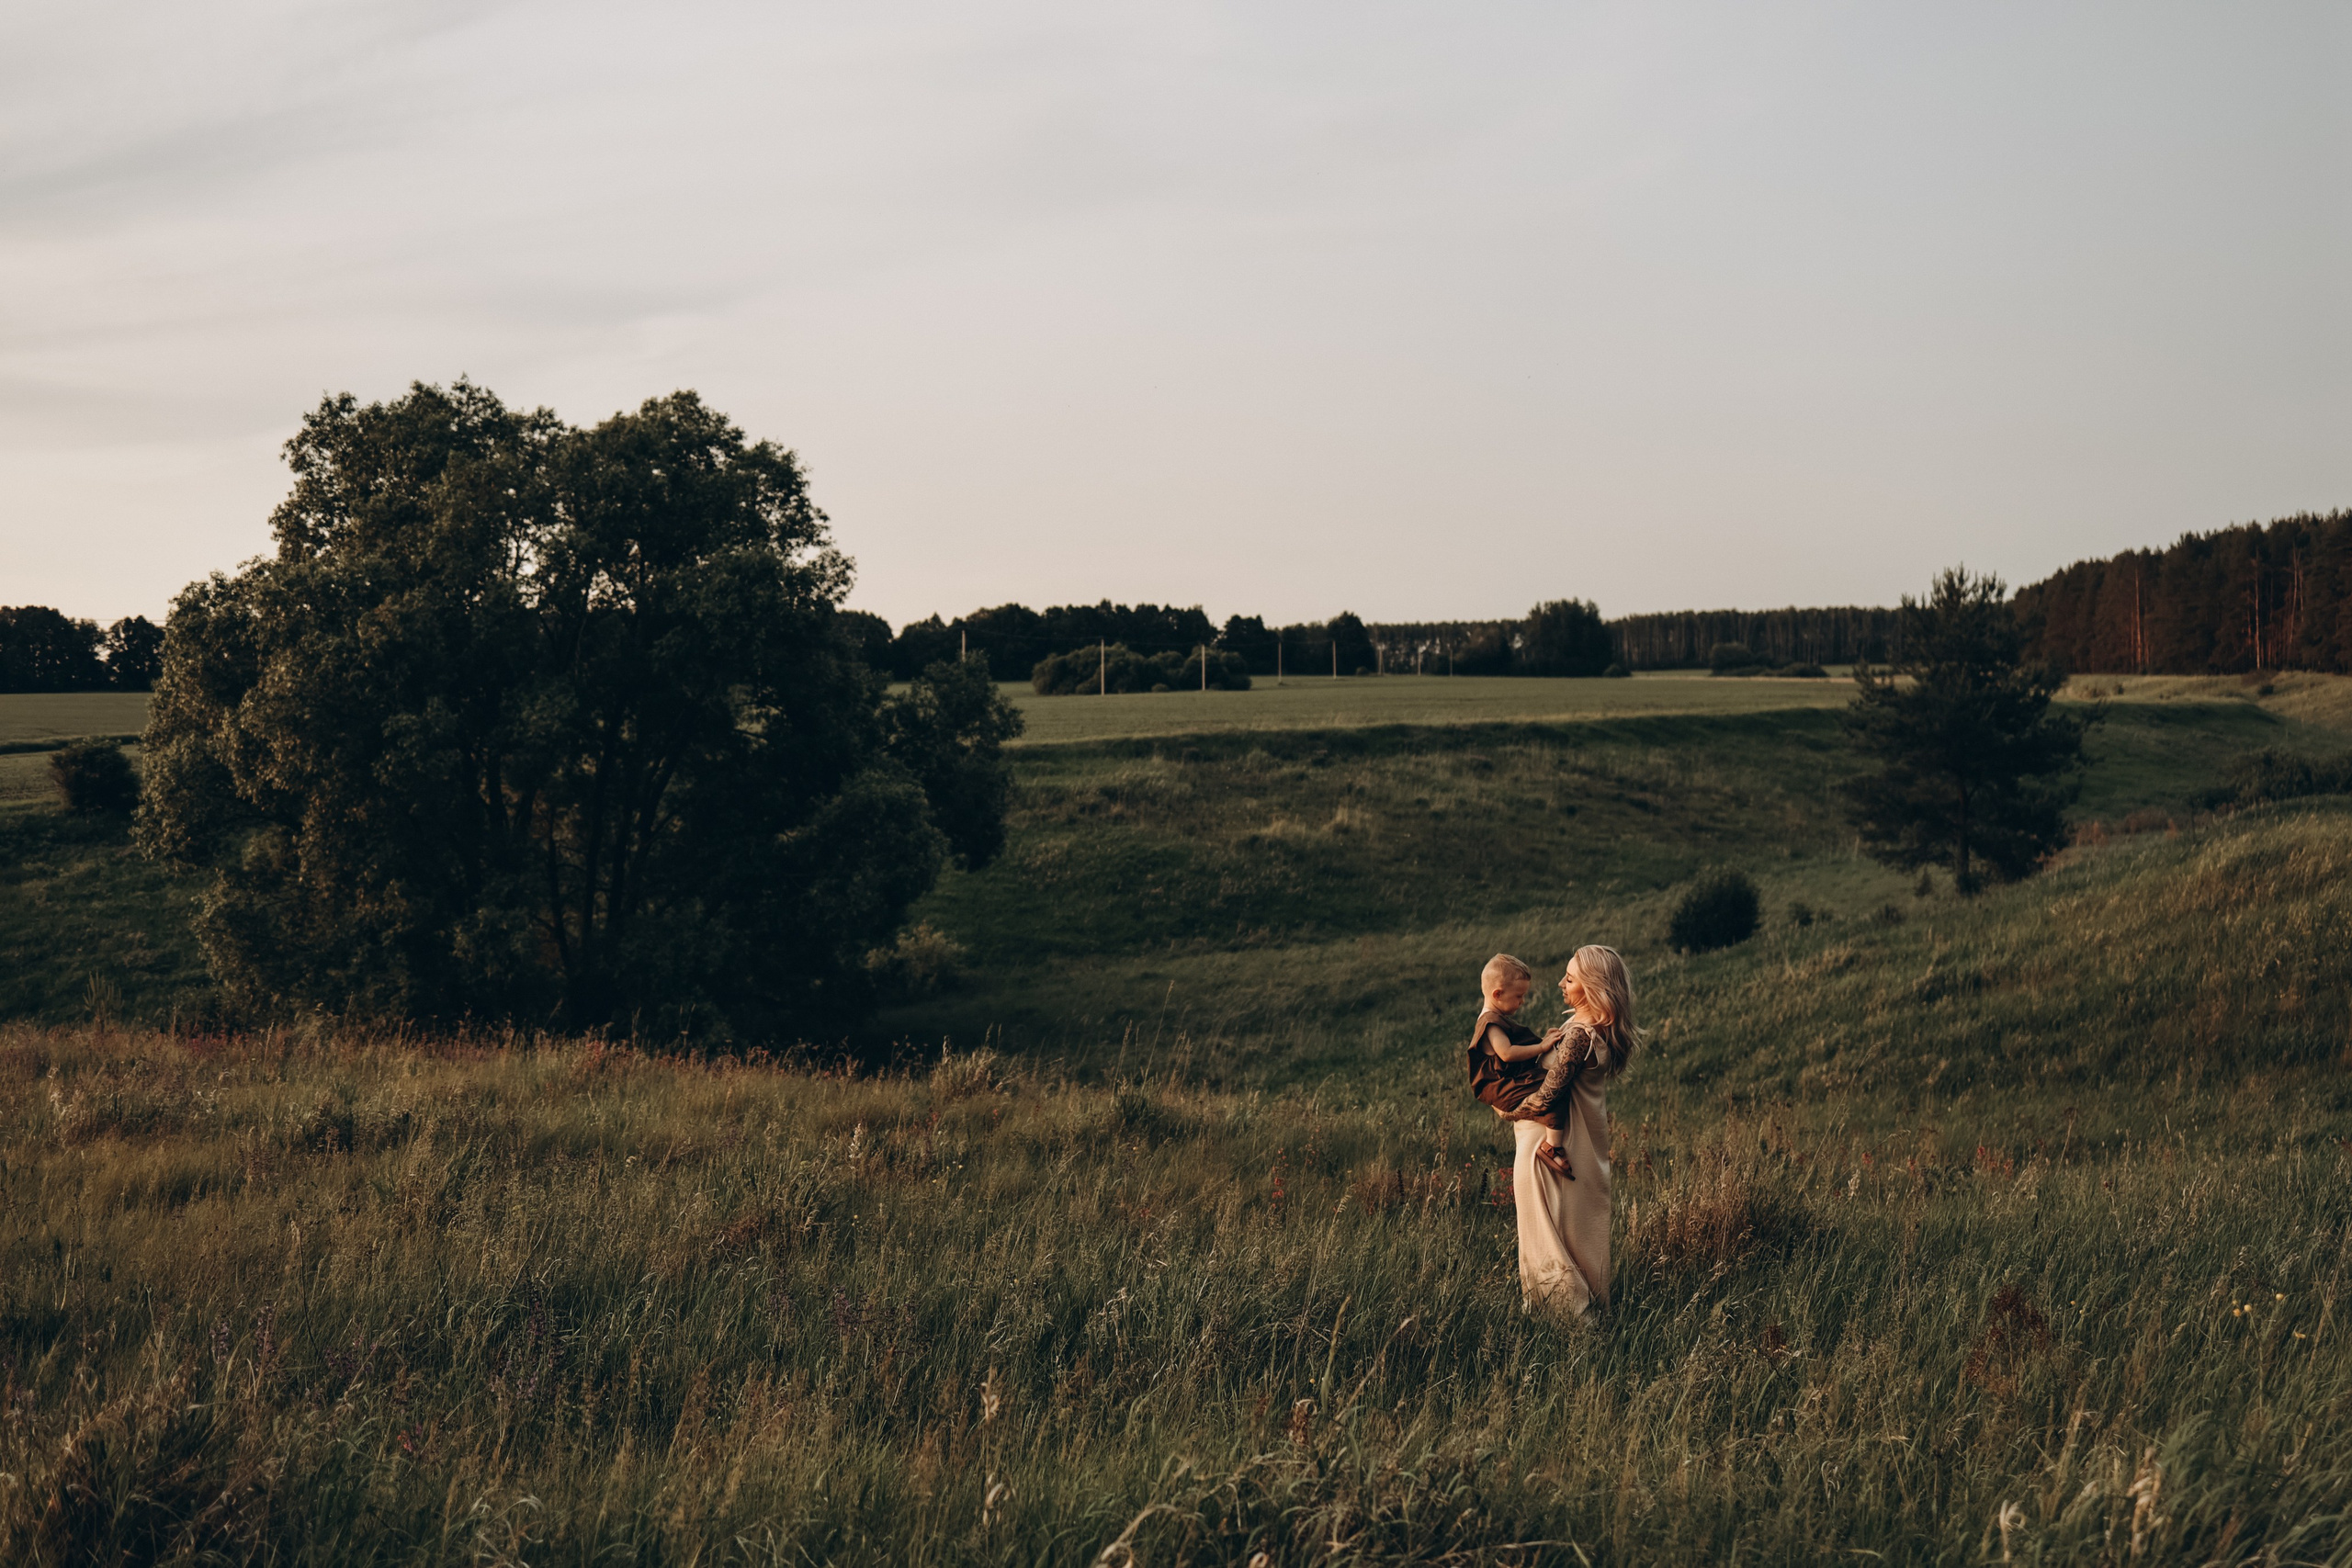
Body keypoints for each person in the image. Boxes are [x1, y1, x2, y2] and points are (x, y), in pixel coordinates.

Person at [1500, 945, 1642, 1316]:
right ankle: (1582, 1329)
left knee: (1547, 1242)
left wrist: (1505, 1109)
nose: (1562, 984)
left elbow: (1549, 1096)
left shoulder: (1581, 1034)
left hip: (1549, 1154)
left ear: (1595, 988)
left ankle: (1574, 1332)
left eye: (1571, 979)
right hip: (1573, 1149)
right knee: (1575, 1240)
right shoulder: (1588, 1030)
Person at [1464, 953, 1575, 1179]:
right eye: (1519, 996)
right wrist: (1542, 1047)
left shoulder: (1495, 1017)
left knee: (1552, 1086)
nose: (1522, 1002)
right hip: (1501, 1086)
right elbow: (1507, 1054)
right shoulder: (1491, 1024)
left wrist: (1543, 1039)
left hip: (1508, 1081)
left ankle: (1547, 1134)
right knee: (1554, 1094)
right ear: (1497, 994)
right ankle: (1552, 1148)